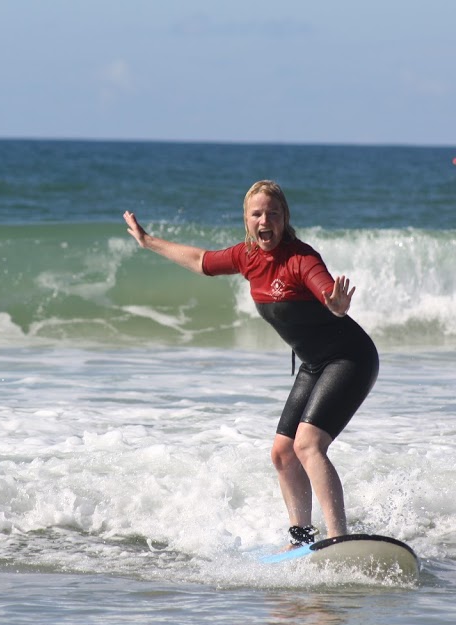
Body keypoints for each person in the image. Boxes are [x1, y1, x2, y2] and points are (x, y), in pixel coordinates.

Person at [123, 180, 379, 547]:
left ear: (284, 217)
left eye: (273, 213)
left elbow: (325, 290)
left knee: (308, 445)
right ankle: (301, 538)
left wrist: (335, 304)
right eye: (257, 213)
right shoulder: (247, 257)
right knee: (282, 452)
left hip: (349, 357)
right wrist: (148, 241)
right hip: (313, 363)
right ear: (246, 220)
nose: (265, 220)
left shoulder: (300, 258)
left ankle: (340, 538)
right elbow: (200, 261)